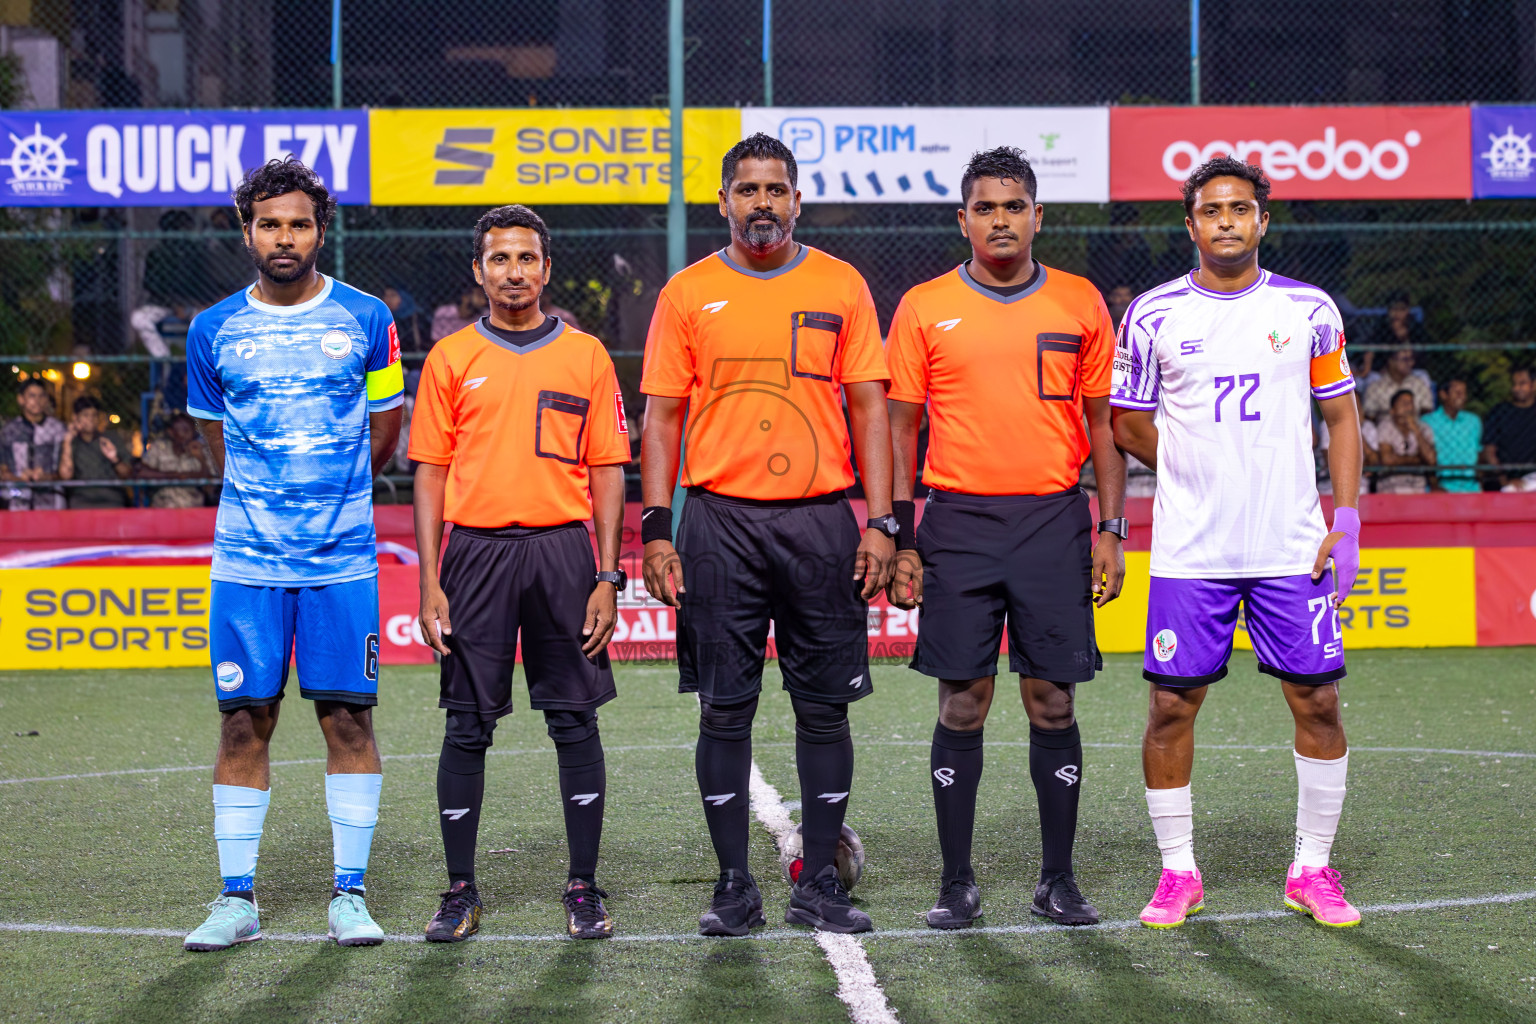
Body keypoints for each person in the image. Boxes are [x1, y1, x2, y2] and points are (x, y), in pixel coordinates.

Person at [640, 133, 895, 936]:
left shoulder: (841, 284)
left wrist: (883, 523)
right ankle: (732, 888)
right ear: (722, 202)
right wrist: (656, 530)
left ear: (795, 199)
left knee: (824, 711)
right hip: (718, 522)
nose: (761, 203)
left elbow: (870, 411)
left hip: (821, 520)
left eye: (775, 189)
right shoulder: (686, 293)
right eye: (746, 190)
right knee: (726, 711)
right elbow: (661, 418)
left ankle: (820, 881)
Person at [1111, 157, 1365, 930]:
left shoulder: (1311, 309)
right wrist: (1192, 465)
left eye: (1241, 209)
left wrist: (1346, 522)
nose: (1226, 221)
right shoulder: (1154, 315)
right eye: (1212, 210)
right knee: (1170, 706)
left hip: (1291, 547)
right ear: (1190, 226)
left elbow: (1342, 418)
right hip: (1194, 550)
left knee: (1317, 700)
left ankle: (1313, 868)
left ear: (1263, 221)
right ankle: (1177, 873)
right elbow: (1126, 421)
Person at [884, 147, 1126, 930]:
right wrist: (903, 534)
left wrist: (1111, 527)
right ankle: (956, 882)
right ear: (963, 220)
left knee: (1052, 700)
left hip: (1054, 521)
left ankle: (1058, 880)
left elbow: (1104, 426)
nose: (1000, 220)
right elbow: (901, 428)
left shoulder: (1082, 303)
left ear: (1037, 217)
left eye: (1013, 206)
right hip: (957, 523)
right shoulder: (923, 306)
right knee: (965, 702)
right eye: (985, 207)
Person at [180, 157, 404, 952]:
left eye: (299, 223)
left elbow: (386, 428)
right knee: (244, 723)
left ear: (320, 231)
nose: (285, 237)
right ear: (248, 232)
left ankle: (350, 894)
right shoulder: (211, 330)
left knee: (348, 718)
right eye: (270, 223)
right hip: (246, 566)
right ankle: (235, 899)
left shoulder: (370, 318)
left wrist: (332, 499)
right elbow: (213, 439)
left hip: (341, 563)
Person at [411, 205, 631, 942]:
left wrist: (608, 574)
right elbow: (430, 475)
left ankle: (583, 887)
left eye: (526, 258)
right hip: (474, 554)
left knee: (574, 718)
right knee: (467, 724)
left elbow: (607, 472)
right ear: (478, 271)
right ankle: (460, 889)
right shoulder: (448, 359)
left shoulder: (587, 356)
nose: (513, 272)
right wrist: (430, 579)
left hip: (564, 552)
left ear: (546, 267)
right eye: (499, 259)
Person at [0, 378, 67, 510]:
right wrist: (18, 478)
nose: (37, 401)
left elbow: (66, 471)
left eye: (41, 396)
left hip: (51, 499)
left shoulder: (58, 429)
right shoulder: (9, 430)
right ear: (21, 399)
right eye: (32, 396)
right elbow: (3, 470)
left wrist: (46, 477)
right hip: (17, 500)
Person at [61, 396, 131, 509]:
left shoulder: (111, 439)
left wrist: (114, 459)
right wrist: (68, 441)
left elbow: (127, 474)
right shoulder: (70, 443)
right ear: (75, 418)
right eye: (86, 415)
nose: (91, 419)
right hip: (81, 499)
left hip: (112, 497)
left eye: (94, 415)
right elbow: (66, 475)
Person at [137, 412, 214, 508]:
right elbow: (141, 472)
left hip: (193, 508)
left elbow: (210, 484)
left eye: (191, 430)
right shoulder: (159, 448)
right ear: (171, 432)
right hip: (162, 508)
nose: (189, 435)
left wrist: (201, 458)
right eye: (184, 430)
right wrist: (176, 476)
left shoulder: (200, 450)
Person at [1421, 378, 1480, 493]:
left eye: (1464, 393)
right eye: (1457, 393)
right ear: (1443, 395)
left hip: (1471, 486)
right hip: (1441, 485)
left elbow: (1477, 452)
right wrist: (1434, 485)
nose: (1462, 397)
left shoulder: (1473, 421)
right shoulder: (1428, 421)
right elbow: (1425, 457)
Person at [1482, 367, 1536, 489]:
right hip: (1506, 480)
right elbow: (1489, 452)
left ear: (1534, 385)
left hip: (1533, 477)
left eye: (1522, 383)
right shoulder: (1499, 412)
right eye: (1514, 384)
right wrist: (1504, 480)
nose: (1516, 388)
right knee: (1510, 491)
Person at [1374, 389, 1436, 494]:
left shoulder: (1423, 428)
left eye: (1410, 403)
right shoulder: (1385, 427)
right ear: (1392, 410)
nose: (1408, 407)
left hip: (1417, 488)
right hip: (1390, 488)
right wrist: (1418, 460)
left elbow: (1431, 459)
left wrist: (1416, 431)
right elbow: (1387, 460)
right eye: (1403, 403)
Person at [1360, 348, 1434, 421]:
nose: (1411, 363)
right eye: (1405, 359)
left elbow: (1427, 411)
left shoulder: (1419, 384)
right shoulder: (1375, 388)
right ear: (1391, 361)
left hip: (1414, 428)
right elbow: (1369, 417)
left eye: (1411, 359)